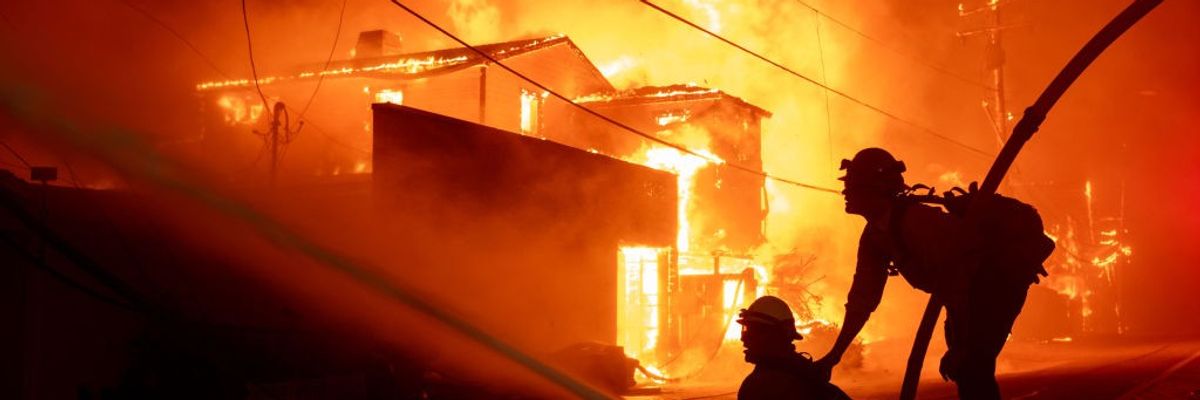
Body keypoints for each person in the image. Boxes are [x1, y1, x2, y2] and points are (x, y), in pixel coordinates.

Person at [814, 148, 1042, 400]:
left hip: (994, 288)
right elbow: (862, 302)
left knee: (970, 365)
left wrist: (961, 345)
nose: (845, 192)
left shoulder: (916, 221)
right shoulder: (875, 237)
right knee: (967, 369)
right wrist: (834, 357)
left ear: (875, 189)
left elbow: (961, 279)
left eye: (853, 185)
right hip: (962, 297)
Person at [738, 295, 850, 400]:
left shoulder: (760, 386)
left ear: (774, 335)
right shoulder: (810, 377)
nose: (744, 338)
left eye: (752, 330)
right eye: (745, 329)